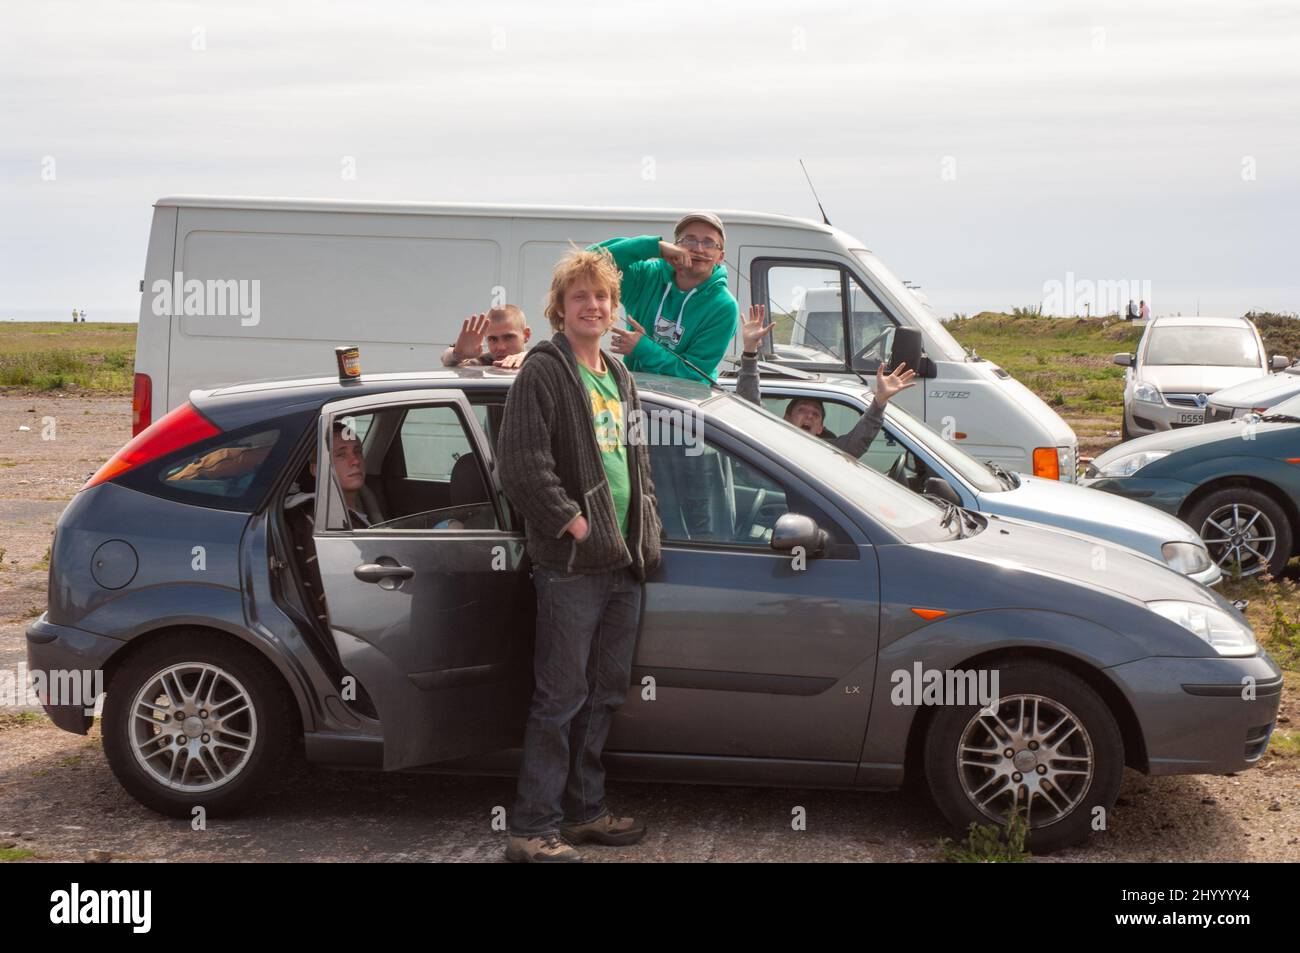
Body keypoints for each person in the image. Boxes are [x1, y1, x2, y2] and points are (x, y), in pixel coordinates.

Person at [496, 246, 662, 863]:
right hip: (571, 566)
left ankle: (585, 812)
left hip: (622, 562)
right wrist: (572, 522)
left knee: (604, 693)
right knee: (559, 697)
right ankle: (531, 830)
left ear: (614, 307)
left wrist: (644, 529)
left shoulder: (619, 375)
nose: (592, 306)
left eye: (601, 297)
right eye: (579, 297)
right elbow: (522, 464)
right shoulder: (544, 369)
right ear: (559, 308)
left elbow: (637, 461)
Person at [734, 305, 914, 454]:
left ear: (820, 429)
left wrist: (880, 401)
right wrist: (750, 350)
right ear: (786, 418)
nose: (809, 416)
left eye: (815, 415)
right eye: (802, 410)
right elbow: (748, 405)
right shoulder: (769, 441)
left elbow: (857, 443)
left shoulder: (827, 453)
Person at [591, 212, 739, 383]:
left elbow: (696, 374)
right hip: (637, 393)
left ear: (720, 257)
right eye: (689, 240)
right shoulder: (647, 277)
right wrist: (655, 247)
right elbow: (590, 260)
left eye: (709, 243)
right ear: (675, 246)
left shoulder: (724, 306)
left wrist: (644, 349)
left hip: (686, 403)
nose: (698, 249)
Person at [440, 305, 531, 369]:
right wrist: (458, 354)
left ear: (526, 335)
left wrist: (530, 357)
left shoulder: (538, 362)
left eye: (508, 337)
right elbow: (446, 360)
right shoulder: (483, 363)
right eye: (493, 339)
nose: (501, 347)